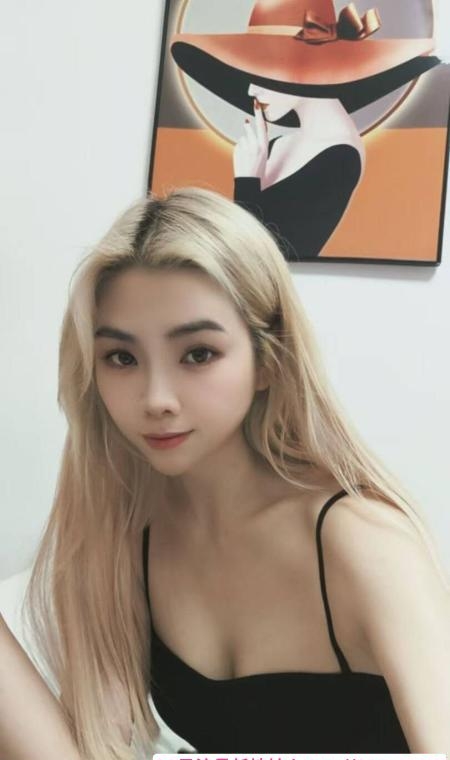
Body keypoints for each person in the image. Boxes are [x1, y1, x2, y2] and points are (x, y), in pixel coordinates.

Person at [2, 186, 449, 759]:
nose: (156, 399)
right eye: (122, 358)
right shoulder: (125, 544)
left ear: (269, 359)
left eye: (198, 354)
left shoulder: (359, 541)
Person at [170, 0, 442, 259]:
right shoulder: (273, 146)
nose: (251, 90)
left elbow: (257, 259)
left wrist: (247, 180)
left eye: (262, 72)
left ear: (304, 66)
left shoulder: (341, 159)